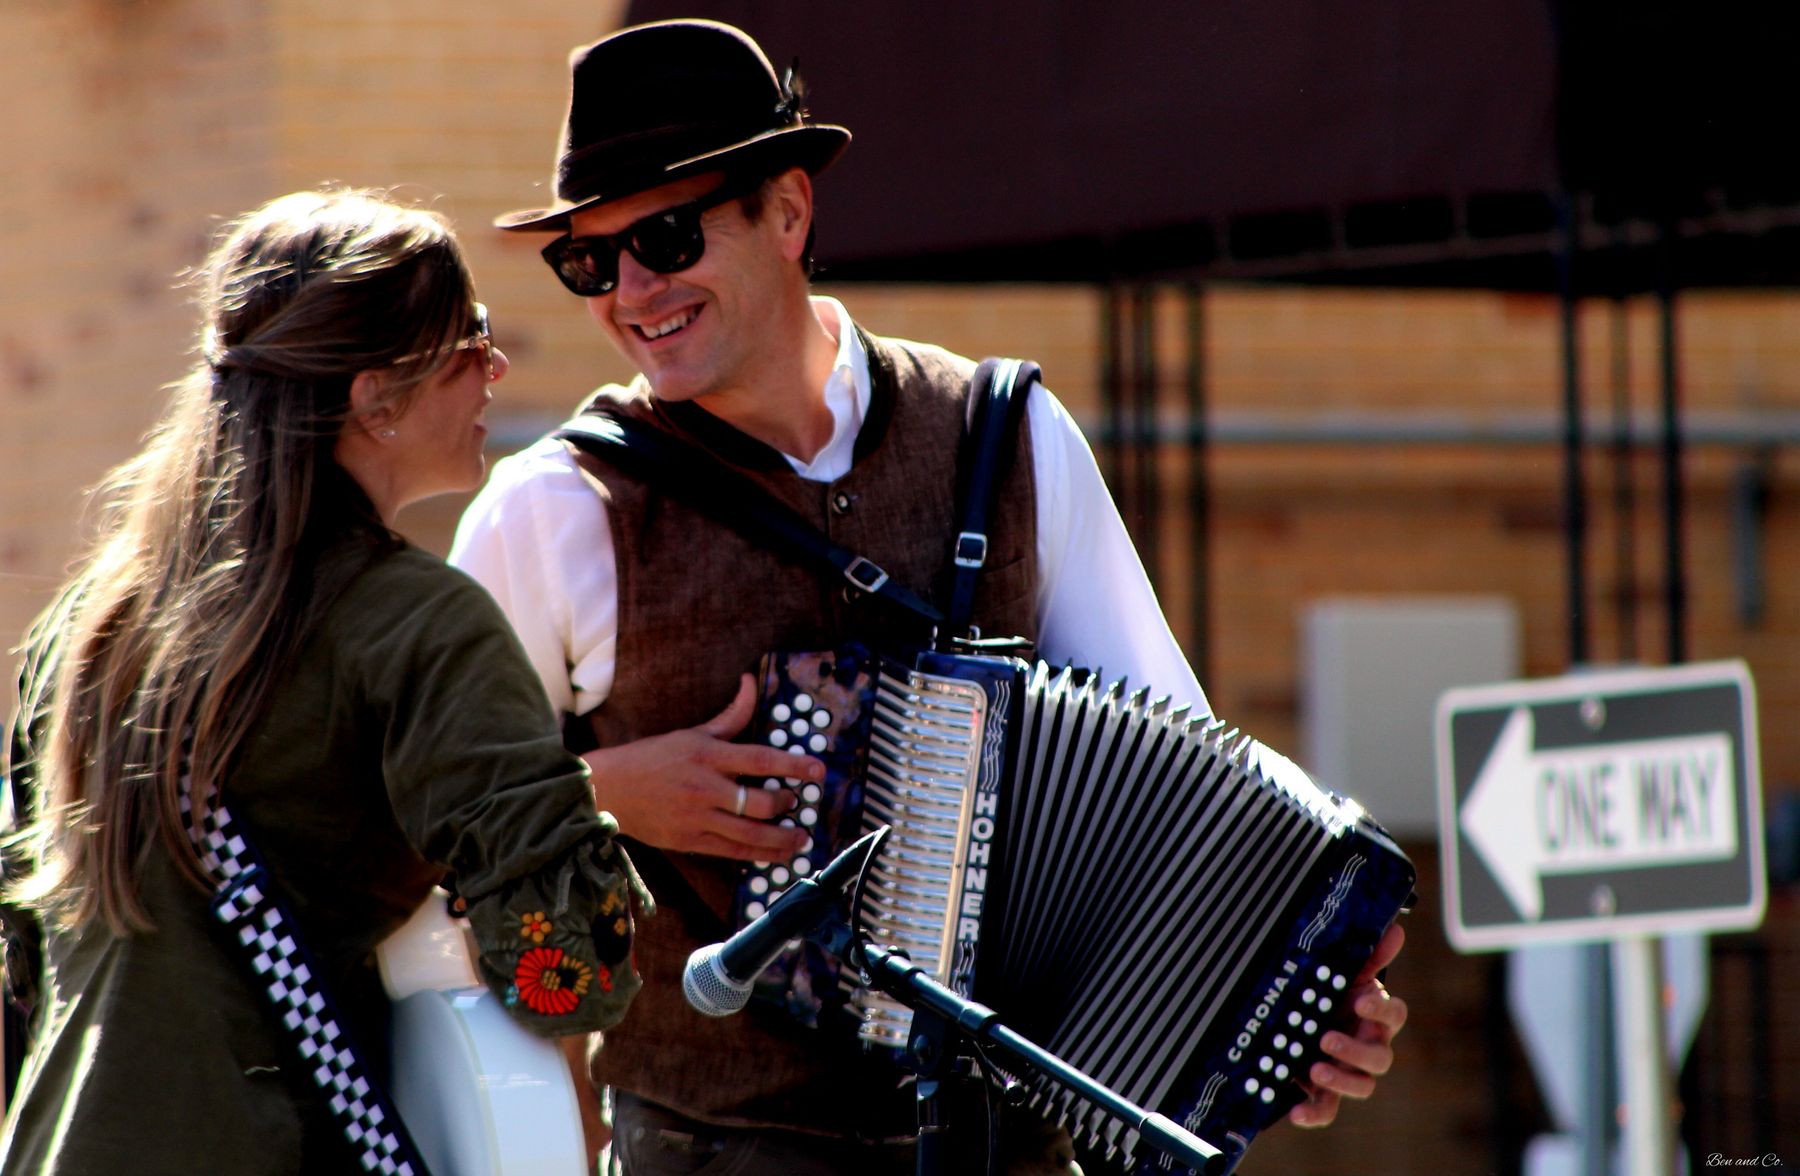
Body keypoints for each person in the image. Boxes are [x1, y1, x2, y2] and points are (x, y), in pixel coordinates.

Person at [451, 19, 1407, 1174]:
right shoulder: (553, 509)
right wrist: (600, 791)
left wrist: (1294, 1010)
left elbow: (1188, 780)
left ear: (789, 211)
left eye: (663, 235)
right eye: (590, 261)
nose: (632, 291)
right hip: (717, 1150)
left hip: (1009, 1150)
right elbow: (431, 831)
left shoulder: (1005, 436)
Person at [0, 188, 643, 1174]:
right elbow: (571, 980)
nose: (498, 366)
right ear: (374, 395)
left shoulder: (85, 627)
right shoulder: (421, 625)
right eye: (470, 338)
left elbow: (22, 965)